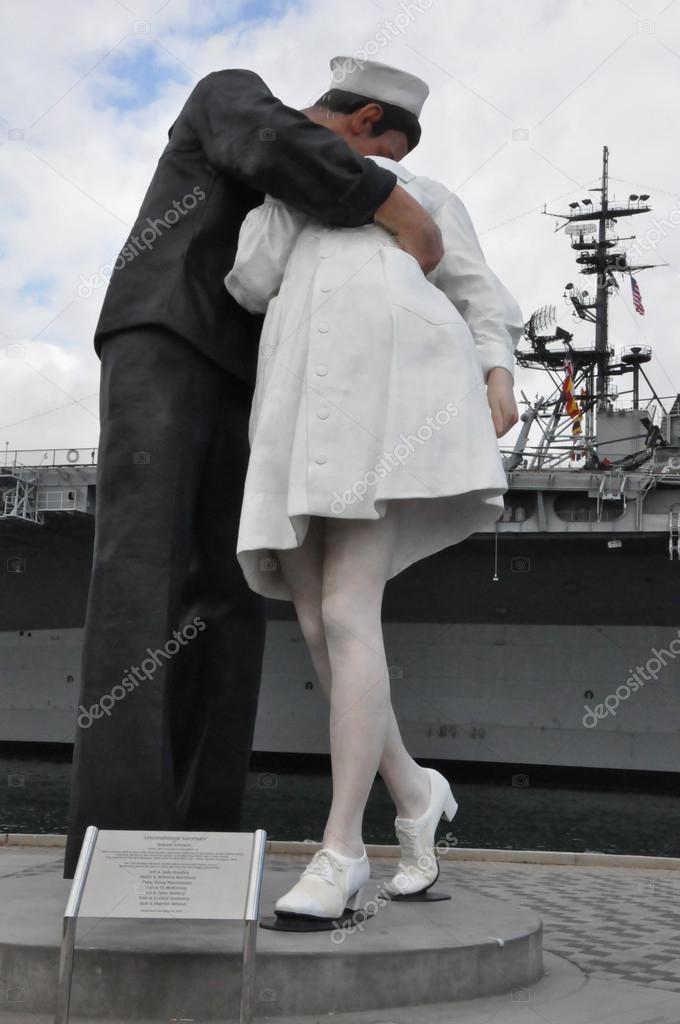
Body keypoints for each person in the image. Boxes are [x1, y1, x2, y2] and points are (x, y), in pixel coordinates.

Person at [62, 62, 444, 879]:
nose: (376, 172)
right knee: (140, 579)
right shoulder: (230, 92)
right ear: (361, 116)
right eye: (377, 152)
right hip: (163, 339)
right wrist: (406, 213)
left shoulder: (310, 200)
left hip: (255, 379)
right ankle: (118, 847)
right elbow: (277, 143)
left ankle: (205, 846)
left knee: (229, 604)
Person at [225, 55, 523, 921]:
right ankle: (417, 792)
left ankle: (343, 846)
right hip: (302, 412)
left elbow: (475, 288)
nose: (303, 121)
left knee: (347, 613)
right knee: (319, 618)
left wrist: (498, 370)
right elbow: (249, 283)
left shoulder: (425, 192)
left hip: (392, 405)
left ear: (362, 123)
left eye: (321, 112)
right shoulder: (293, 196)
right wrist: (285, 195)